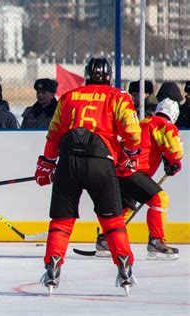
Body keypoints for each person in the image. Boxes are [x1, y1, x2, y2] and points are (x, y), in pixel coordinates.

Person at [34, 57, 141, 295]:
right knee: (113, 220)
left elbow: (53, 135)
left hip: (68, 162)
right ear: (109, 76)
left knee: (62, 221)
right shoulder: (119, 97)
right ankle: (124, 266)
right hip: (101, 163)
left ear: (86, 74)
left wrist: (47, 163)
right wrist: (128, 154)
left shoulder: (69, 97)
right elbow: (133, 133)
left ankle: (52, 267)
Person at [96, 97, 183, 260]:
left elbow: (146, 144)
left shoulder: (144, 122)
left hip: (120, 170)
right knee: (159, 199)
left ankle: (106, 240)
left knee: (125, 207)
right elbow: (175, 150)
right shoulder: (165, 125)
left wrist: (167, 160)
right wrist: (174, 162)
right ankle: (156, 241)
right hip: (134, 172)